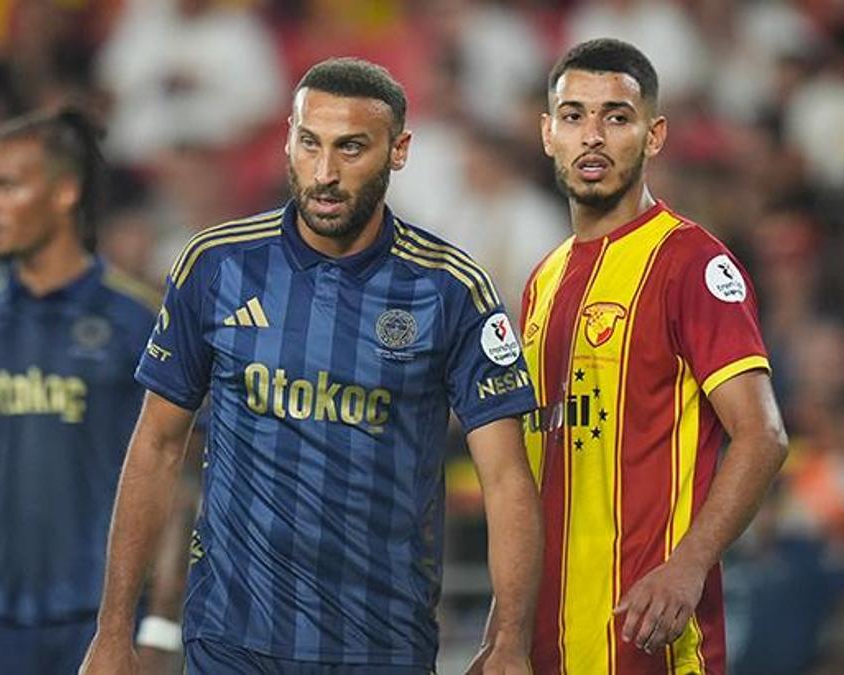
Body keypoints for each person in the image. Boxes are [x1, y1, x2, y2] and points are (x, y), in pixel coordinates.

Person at [81, 57, 543, 674]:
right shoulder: (216, 266)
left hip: (382, 647)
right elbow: (157, 446)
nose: (325, 173)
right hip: (231, 642)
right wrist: (114, 630)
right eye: (310, 143)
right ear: (288, 142)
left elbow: (507, 478)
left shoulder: (451, 289)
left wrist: (508, 638)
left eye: (351, 148)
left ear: (398, 151)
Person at [511, 39, 788, 674]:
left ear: (653, 135)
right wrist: (506, 632)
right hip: (549, 643)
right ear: (548, 133)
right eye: (574, 116)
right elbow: (532, 472)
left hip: (650, 639)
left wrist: (689, 565)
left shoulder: (691, 262)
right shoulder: (542, 281)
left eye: (616, 117)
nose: (593, 136)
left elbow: (763, 435)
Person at [0, 106, 181, 675]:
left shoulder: (137, 322)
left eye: (5, 186)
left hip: (104, 624)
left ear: (65, 192)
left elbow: (180, 481)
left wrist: (160, 625)